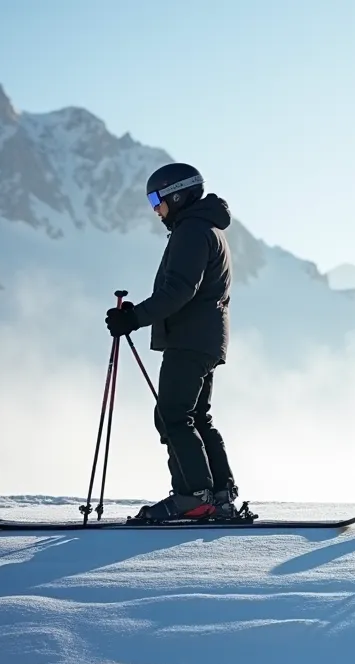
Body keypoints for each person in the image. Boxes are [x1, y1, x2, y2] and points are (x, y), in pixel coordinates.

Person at [104, 162, 237, 522]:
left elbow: (179, 290)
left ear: (176, 195)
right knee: (195, 417)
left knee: (173, 416)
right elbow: (182, 289)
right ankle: (219, 496)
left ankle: (192, 497)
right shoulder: (205, 229)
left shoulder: (192, 232)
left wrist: (133, 317)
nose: (155, 209)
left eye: (156, 199)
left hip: (190, 338)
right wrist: (140, 313)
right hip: (205, 338)